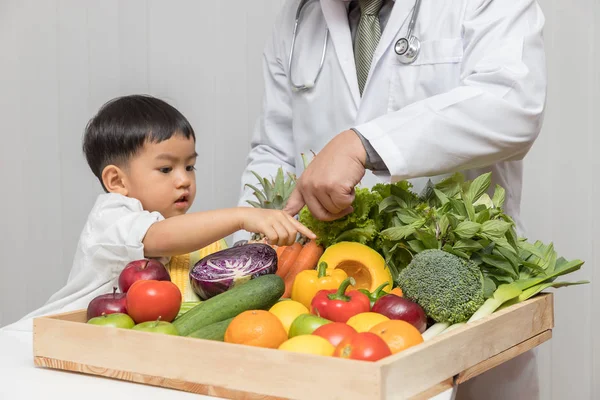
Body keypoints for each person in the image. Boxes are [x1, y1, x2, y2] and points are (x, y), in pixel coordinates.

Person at [236, 0, 547, 399]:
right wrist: (248, 255)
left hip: (462, 278)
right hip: (333, 292)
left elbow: (513, 106)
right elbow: (274, 151)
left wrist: (365, 144)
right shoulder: (299, 16)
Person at [13, 94, 314, 325]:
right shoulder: (112, 216)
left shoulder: (186, 233)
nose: (184, 180)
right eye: (166, 168)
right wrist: (241, 216)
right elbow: (157, 236)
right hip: (56, 337)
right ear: (116, 180)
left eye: (190, 166)